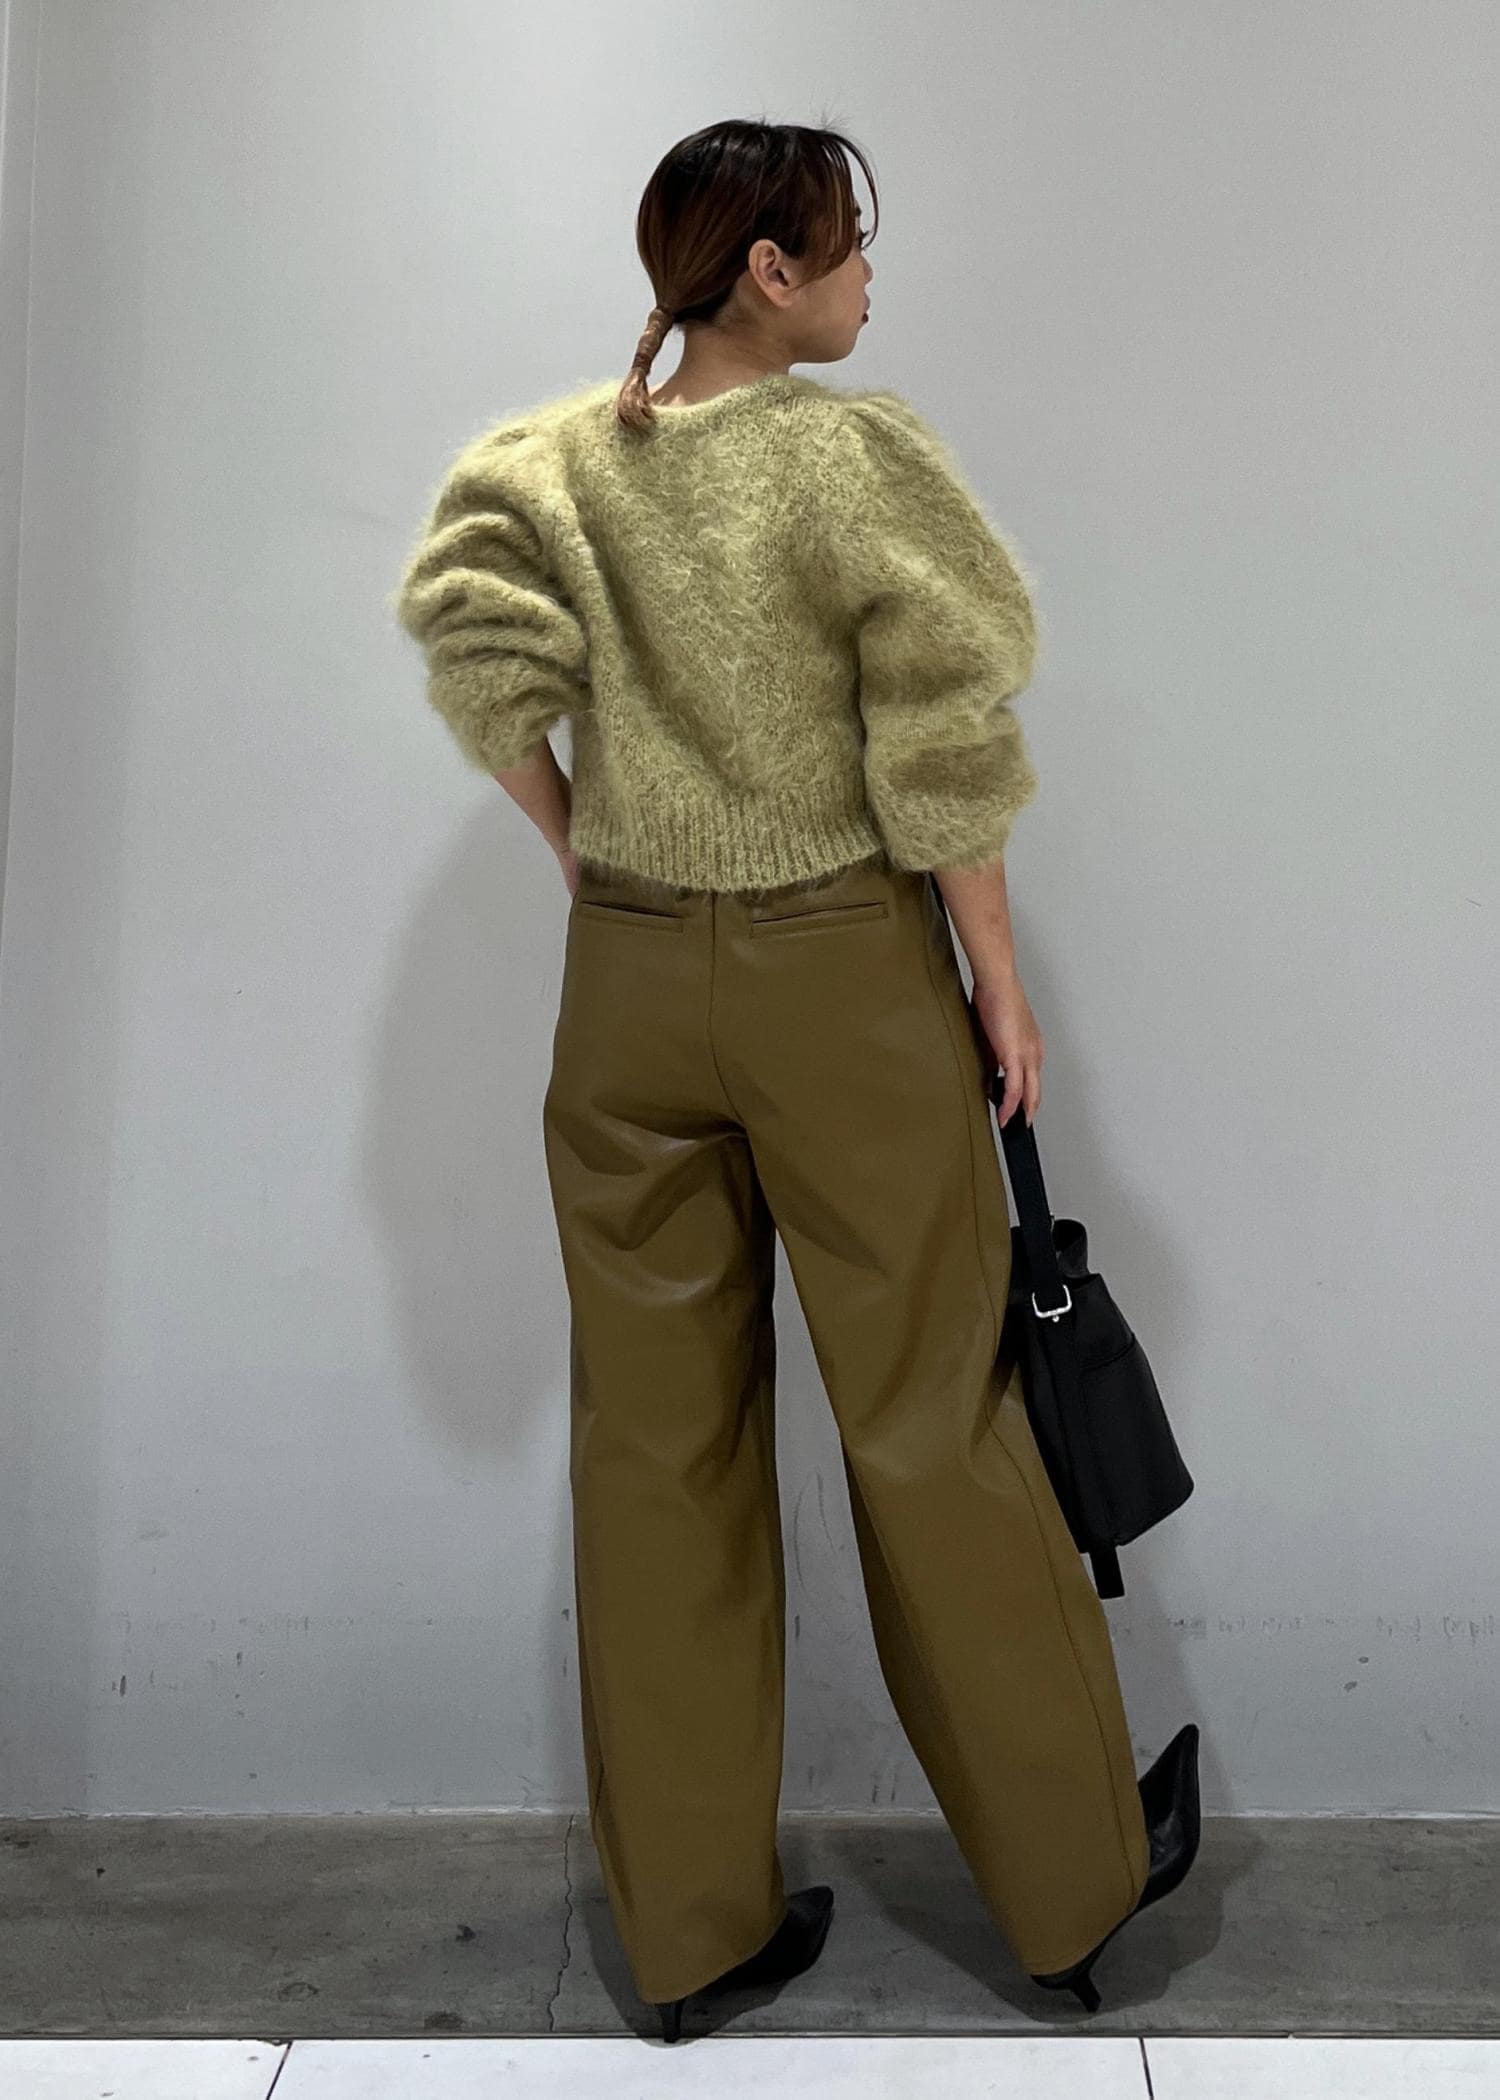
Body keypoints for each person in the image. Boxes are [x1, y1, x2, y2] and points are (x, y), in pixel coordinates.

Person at [392, 117, 1200, 2045]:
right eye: (847, 242)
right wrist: (997, 985)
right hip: (838, 976)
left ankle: (689, 1942)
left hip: (625, 992)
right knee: (932, 1419)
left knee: (653, 1452)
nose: (865, 275)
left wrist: (585, 848)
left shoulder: (555, 463)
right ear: (769, 267)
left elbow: (471, 642)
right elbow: (941, 745)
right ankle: (1074, 1891)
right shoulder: (850, 457)